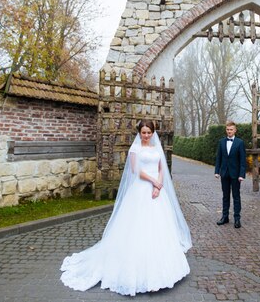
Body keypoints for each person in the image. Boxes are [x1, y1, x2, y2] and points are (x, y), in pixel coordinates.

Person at [60, 120, 191, 296]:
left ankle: (163, 267)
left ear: (153, 133)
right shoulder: (135, 150)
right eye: (143, 132)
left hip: (157, 190)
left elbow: (161, 167)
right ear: (139, 133)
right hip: (141, 189)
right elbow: (136, 170)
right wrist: (153, 182)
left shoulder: (156, 148)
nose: (146, 135)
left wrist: (159, 185)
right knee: (136, 227)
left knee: (159, 226)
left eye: (148, 132)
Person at [214, 121, 247, 228]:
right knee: (225, 196)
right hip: (224, 173)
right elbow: (219, 158)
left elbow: (242, 161)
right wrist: (217, 171)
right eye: (228, 129)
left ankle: (237, 219)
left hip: (236, 174)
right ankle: (225, 217)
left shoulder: (240, 143)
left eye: (231, 129)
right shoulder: (221, 142)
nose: (229, 131)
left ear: (235, 130)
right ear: (226, 130)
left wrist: (242, 174)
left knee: (236, 196)